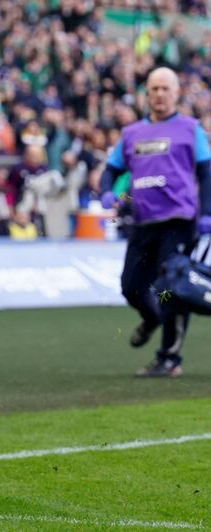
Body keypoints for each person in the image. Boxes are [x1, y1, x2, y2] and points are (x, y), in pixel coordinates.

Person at [100, 67, 211, 377]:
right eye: (154, 89)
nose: (160, 94)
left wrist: (206, 214)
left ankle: (169, 358)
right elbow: (111, 169)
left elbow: (206, 171)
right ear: (146, 94)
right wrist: (108, 191)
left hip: (178, 222)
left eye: (165, 89)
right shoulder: (132, 133)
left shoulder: (191, 129)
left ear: (176, 93)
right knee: (131, 287)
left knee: (171, 288)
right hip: (142, 222)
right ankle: (152, 319)